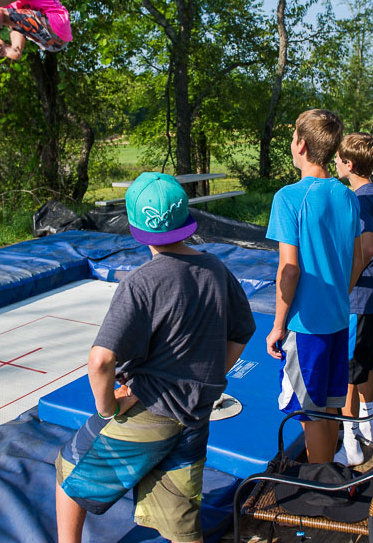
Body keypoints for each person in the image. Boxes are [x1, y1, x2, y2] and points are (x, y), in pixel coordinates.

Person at [54, 172, 256, 543]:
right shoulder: (215, 269)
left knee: (69, 472)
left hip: (149, 411)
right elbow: (242, 331)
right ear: (187, 219)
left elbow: (100, 361)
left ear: (134, 226)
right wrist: (204, 378)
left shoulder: (142, 282)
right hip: (196, 413)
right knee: (180, 515)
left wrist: (106, 410)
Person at [266, 109, 364, 464]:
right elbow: (359, 256)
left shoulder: (289, 197)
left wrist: (277, 325)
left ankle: (322, 488)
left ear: (302, 145)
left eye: (293, 137)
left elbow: (288, 270)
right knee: (328, 406)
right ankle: (330, 477)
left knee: (308, 414)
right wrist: (341, 291)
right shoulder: (347, 195)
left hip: (304, 327)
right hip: (338, 319)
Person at [333, 132, 373, 466]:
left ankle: (350, 445)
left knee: (348, 372)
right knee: (363, 362)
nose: (335, 163)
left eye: (338, 159)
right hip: (370, 293)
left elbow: (368, 248)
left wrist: (345, 286)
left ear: (349, 164)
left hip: (358, 296)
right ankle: (369, 424)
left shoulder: (359, 199)